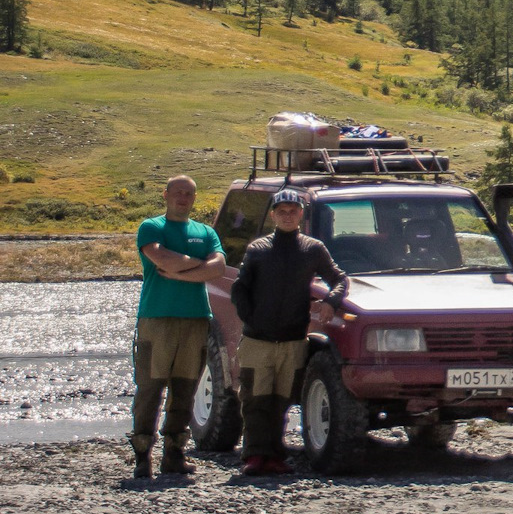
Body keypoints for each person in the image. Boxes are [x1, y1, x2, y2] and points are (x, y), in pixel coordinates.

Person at [230, 188, 349, 474]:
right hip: (258, 340)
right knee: (254, 400)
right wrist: (252, 320)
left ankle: (275, 456)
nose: (287, 216)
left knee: (281, 401)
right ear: (273, 215)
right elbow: (239, 289)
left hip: (294, 339)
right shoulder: (257, 249)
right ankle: (254, 456)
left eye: (292, 212)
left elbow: (340, 279)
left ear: (301, 215)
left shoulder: (313, 248)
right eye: (281, 212)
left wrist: (331, 302)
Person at [130, 176, 225, 480]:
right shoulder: (151, 226)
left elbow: (219, 268)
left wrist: (181, 273)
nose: (183, 198)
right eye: (178, 192)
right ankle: (142, 454)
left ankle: (174, 453)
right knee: (150, 387)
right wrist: (198, 267)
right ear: (166, 194)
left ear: (195, 198)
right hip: (157, 319)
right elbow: (159, 258)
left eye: (189, 193)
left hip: (196, 318)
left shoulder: (206, 231)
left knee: (185, 388)